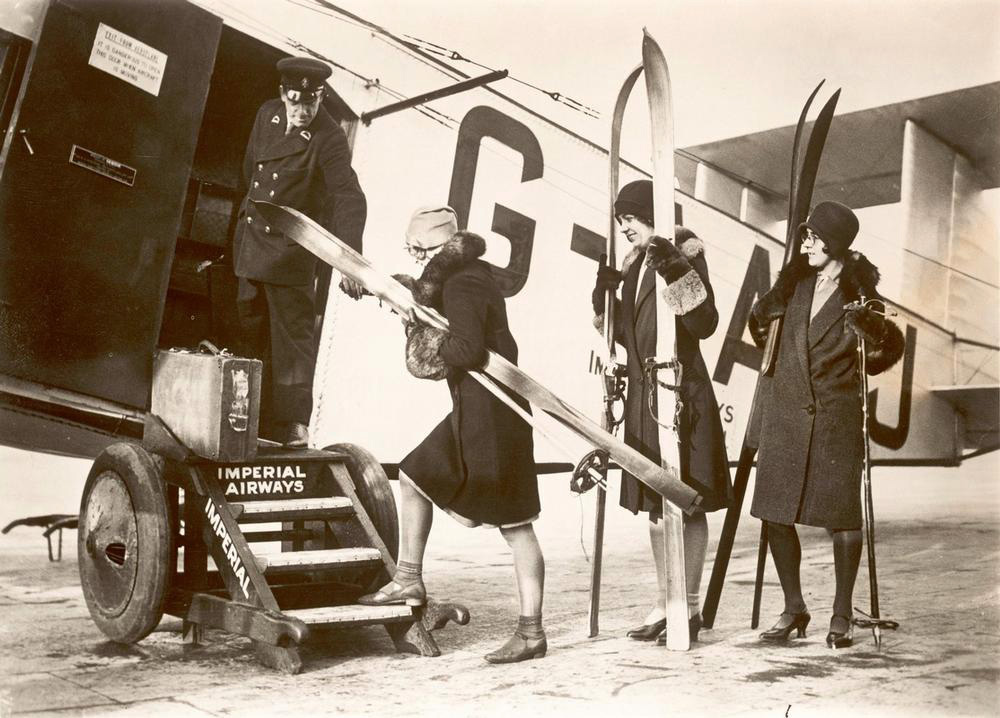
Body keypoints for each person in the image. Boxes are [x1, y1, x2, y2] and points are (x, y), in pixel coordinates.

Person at [359, 206, 546, 665]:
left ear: (435, 249)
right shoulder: (464, 275)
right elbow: (433, 303)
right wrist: (393, 292)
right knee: (416, 472)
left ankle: (532, 631)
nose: (415, 257)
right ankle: (408, 576)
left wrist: (424, 338)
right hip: (480, 408)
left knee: (516, 523)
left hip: (494, 415)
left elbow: (466, 346)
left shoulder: (464, 281)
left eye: (416, 250)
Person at [748, 201, 904, 648]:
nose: (806, 245)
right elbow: (763, 336)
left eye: (815, 238)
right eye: (804, 237)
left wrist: (870, 331)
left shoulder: (861, 296)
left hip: (834, 420)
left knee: (842, 518)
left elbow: (884, 354)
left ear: (835, 243)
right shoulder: (794, 284)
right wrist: (762, 315)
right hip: (784, 414)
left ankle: (841, 613)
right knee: (774, 515)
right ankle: (794, 608)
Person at [591, 180, 732, 644]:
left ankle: (688, 606)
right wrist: (604, 302)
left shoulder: (684, 256)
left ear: (651, 215)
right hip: (644, 399)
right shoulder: (633, 266)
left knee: (686, 500)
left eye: (630, 217)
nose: (624, 226)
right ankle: (664, 601)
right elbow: (625, 340)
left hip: (681, 395)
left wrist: (674, 270)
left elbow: (704, 324)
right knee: (656, 504)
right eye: (621, 220)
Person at [233, 56, 367, 447]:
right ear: (282, 95)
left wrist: (349, 261)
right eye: (296, 101)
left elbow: (348, 197)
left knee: (293, 343)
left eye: (311, 103)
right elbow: (249, 172)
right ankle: (241, 416)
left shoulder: (329, 137)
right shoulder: (266, 115)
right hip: (252, 245)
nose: (303, 111)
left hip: (290, 254)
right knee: (248, 332)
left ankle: (293, 424)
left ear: (321, 98)